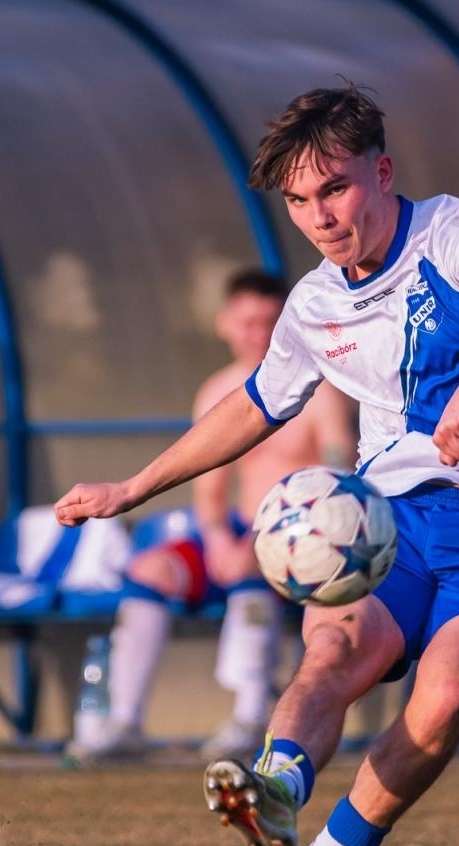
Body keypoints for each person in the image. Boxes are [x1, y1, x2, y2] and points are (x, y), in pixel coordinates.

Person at [55, 85, 459, 846]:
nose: (320, 217)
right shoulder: (315, 303)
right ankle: (276, 788)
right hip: (389, 516)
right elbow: (257, 404)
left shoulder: (454, 233)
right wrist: (132, 487)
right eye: (299, 201)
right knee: (335, 641)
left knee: (444, 692)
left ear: (382, 171)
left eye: (334, 189)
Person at [64, 269, 355, 764]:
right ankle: (124, 722)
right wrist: (218, 536)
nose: (257, 334)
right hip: (239, 536)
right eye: (246, 322)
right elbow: (210, 493)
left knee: (246, 566)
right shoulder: (217, 390)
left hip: (304, 536)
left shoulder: (322, 385)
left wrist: (263, 537)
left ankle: (251, 712)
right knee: (149, 569)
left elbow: (338, 467)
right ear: (224, 324)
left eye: (269, 321)